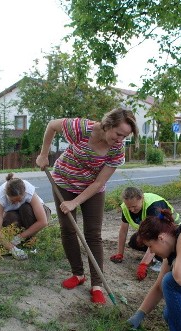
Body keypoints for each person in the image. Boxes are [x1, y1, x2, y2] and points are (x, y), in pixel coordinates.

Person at [36, 108, 139, 304]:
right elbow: (51, 126)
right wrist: (44, 154)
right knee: (67, 229)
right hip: (64, 181)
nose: (120, 140)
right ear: (108, 124)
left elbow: (99, 183)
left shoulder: (117, 149)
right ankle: (78, 274)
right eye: (118, 134)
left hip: (92, 188)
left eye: (125, 137)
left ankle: (97, 285)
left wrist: (75, 202)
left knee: (93, 234)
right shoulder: (81, 128)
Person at [110, 186, 180, 280]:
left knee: (161, 246)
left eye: (134, 206)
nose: (132, 210)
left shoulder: (154, 206)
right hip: (154, 233)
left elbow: (155, 237)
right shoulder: (126, 207)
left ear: (141, 198)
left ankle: (163, 260)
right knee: (134, 242)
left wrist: (143, 264)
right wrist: (120, 253)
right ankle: (155, 255)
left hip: (171, 233)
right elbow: (123, 231)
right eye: (129, 207)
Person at [0, 173, 51, 260]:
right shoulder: (0, 198)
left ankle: (30, 240)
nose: (17, 203)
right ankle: (20, 244)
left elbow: (43, 222)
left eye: (20, 200)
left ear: (24, 193)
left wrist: (19, 238)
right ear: (7, 195)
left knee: (25, 208)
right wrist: (12, 249)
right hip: (17, 215)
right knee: (9, 217)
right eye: (13, 201)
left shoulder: (28, 190)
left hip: (36, 214)